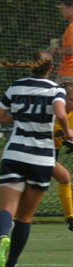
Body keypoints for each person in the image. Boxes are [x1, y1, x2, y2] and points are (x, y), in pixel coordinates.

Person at [0, 52, 73, 267]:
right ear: (50, 68)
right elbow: (60, 113)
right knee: (25, 216)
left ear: (31, 66)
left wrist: (21, 118)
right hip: (41, 158)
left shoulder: (16, 86)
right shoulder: (55, 90)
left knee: (7, 208)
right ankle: (10, 266)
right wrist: (67, 131)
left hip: (15, 153)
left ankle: (2, 236)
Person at [51, 80, 73, 230]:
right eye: (71, 99)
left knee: (64, 178)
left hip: (52, 154)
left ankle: (70, 218)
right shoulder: (52, 113)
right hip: (37, 151)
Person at [53, 0, 73, 83]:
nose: (61, 12)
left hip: (69, 75)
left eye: (63, 9)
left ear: (71, 8)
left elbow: (72, 50)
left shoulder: (72, 27)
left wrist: (56, 50)